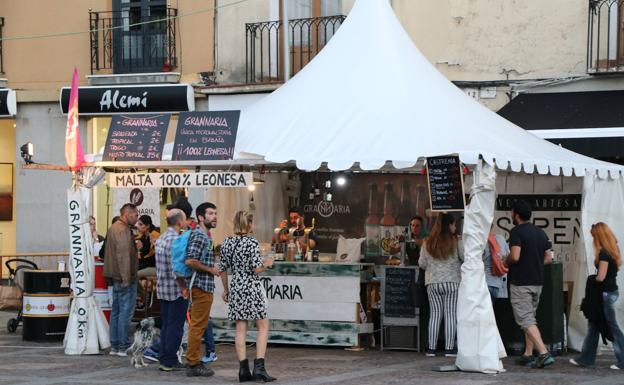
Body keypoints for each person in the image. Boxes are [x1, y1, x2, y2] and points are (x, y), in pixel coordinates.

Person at [219, 210, 276, 382]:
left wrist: (226, 290)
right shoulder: (251, 242)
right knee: (263, 326)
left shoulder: (227, 242)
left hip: (236, 286)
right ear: (249, 224)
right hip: (251, 285)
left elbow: (222, 270)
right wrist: (268, 263)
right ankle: (259, 368)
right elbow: (256, 268)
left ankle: (243, 371)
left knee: (240, 329)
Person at [506, 200, 554, 368]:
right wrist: (535, 263)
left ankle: (543, 352)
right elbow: (549, 258)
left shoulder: (516, 232)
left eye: (512, 212)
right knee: (531, 317)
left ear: (516, 215)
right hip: (538, 281)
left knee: (525, 319)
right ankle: (528, 354)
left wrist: (505, 260)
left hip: (521, 281)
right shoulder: (541, 232)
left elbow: (515, 256)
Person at [570, 222, 624, 370]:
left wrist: (591, 279)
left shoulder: (604, 253)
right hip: (610, 292)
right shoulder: (613, 250)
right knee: (594, 326)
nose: (592, 239)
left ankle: (622, 359)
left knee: (611, 327)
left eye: (593, 236)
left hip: (605, 294)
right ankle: (586, 358)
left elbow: (601, 277)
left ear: (598, 236)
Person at [418, 213, 463, 357]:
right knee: (450, 315)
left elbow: (422, 264)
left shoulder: (427, 242)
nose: (455, 227)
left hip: (433, 283)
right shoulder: (456, 241)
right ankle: (449, 349)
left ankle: (431, 348)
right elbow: (464, 257)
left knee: (435, 315)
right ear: (449, 225)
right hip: (452, 282)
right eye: (454, 224)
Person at [184, 202, 221, 377]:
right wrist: (210, 269)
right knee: (198, 326)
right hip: (200, 285)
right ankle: (192, 363)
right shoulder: (199, 236)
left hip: (203, 285)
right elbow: (190, 260)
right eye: (211, 213)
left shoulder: (206, 236)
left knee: (198, 325)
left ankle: (193, 361)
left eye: (215, 213)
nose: (214, 216)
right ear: (201, 217)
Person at [154, 209, 188, 372]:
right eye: (185, 219)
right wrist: (183, 287)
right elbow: (178, 269)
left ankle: (163, 356)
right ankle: (169, 360)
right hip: (176, 290)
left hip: (162, 288)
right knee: (175, 326)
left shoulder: (160, 239)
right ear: (179, 222)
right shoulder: (177, 240)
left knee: (167, 325)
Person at [103, 203, 139, 356]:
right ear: (127, 214)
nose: (137, 219)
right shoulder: (122, 230)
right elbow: (123, 256)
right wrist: (126, 279)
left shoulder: (113, 228)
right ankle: (123, 345)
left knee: (117, 311)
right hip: (124, 277)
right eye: (135, 215)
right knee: (125, 312)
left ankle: (116, 346)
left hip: (115, 276)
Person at [482, 229, 510, 300]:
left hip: (484, 283)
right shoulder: (501, 238)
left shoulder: (480, 240)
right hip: (499, 283)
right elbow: (508, 256)